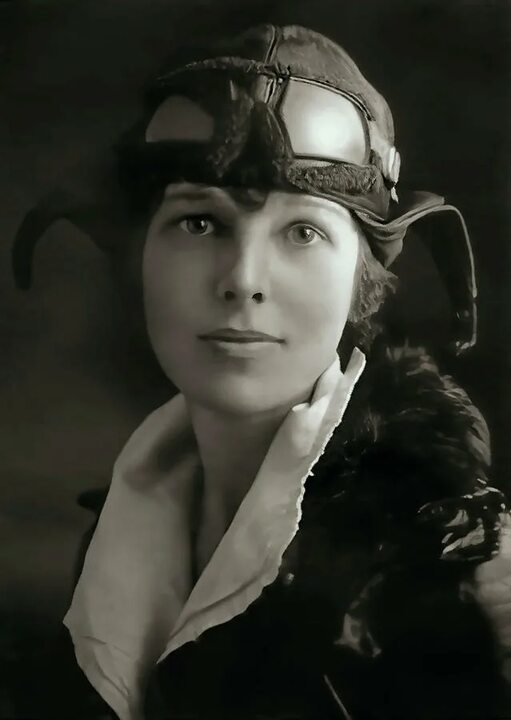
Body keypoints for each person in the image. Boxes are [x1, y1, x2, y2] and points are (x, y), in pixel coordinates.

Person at [10, 23, 511, 720]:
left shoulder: (458, 573)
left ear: (359, 283)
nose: (242, 279)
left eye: (303, 232)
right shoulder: (117, 541)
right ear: (139, 261)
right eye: (198, 223)